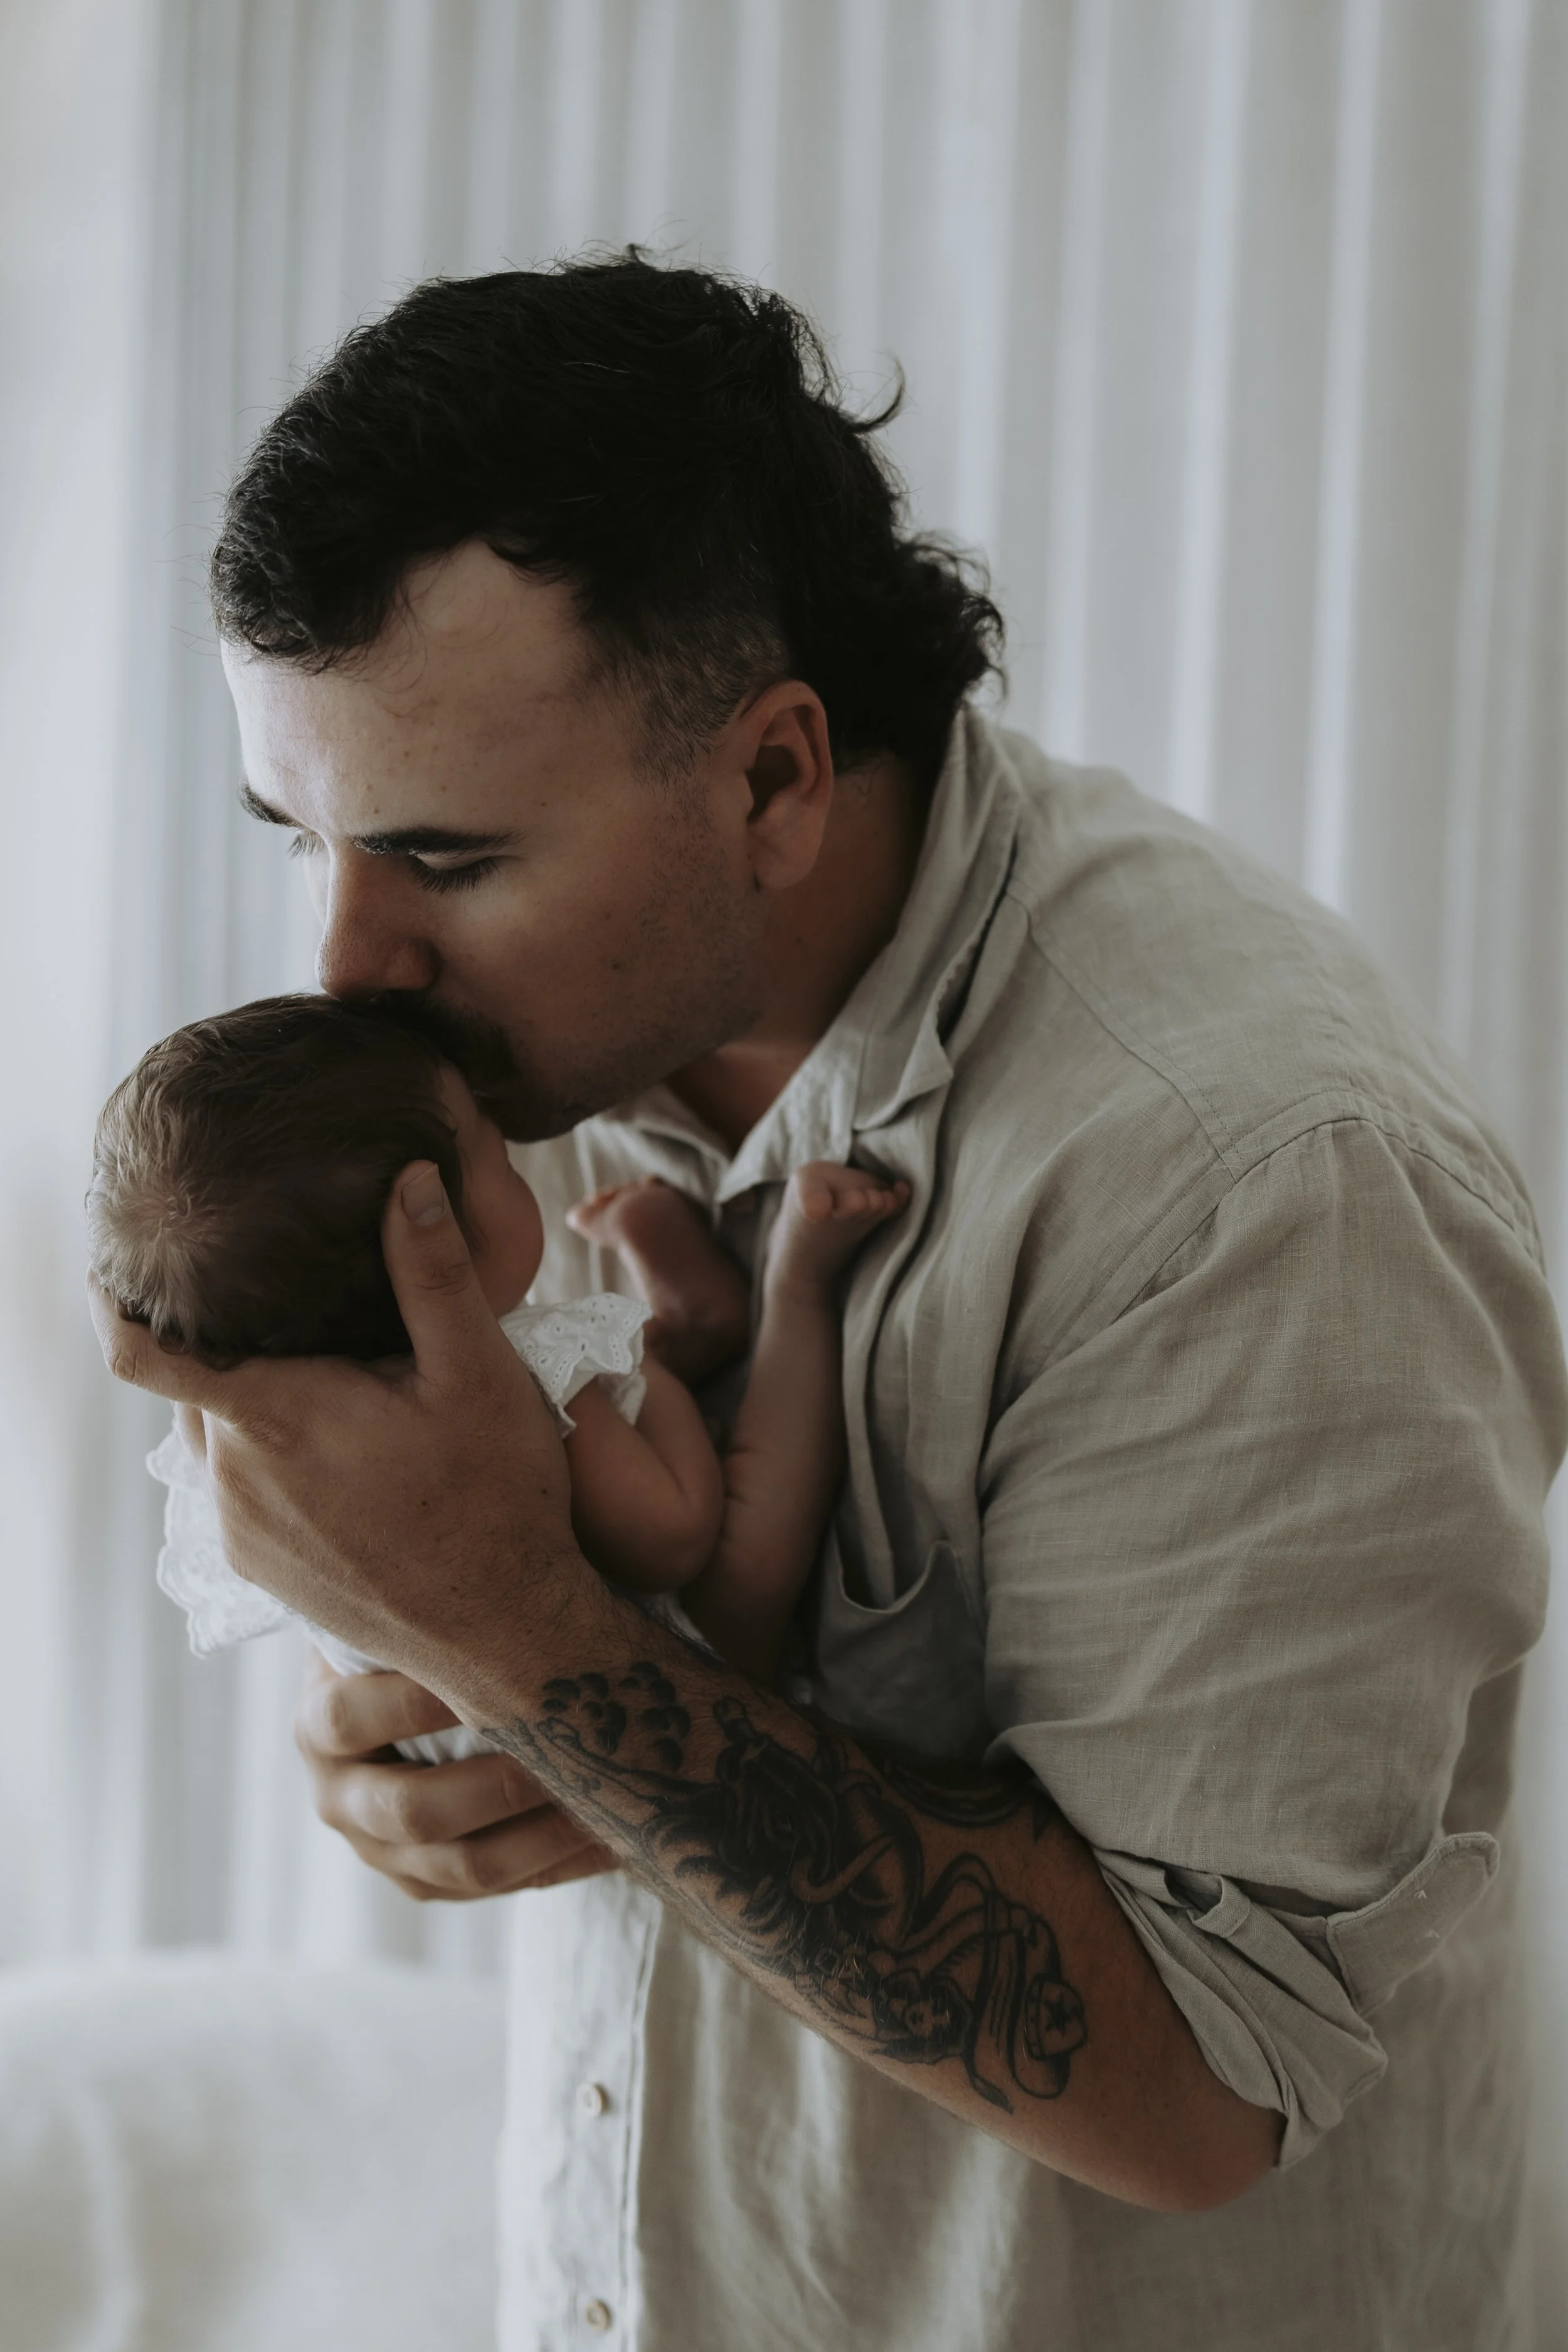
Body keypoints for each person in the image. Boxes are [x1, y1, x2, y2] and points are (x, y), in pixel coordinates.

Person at [92, 257, 1565, 2351]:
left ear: (776, 780)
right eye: (302, 835)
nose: (345, 964)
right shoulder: (503, 1074)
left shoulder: (1261, 1182)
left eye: (444, 854)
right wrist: (435, 1703)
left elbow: (1214, 2080)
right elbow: (572, 1679)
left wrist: (533, 1638)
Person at [89, 992, 904, 1699]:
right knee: (739, 1575)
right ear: (431, 1243)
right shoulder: (516, 1391)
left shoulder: (230, 1436)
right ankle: (796, 1288)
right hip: (632, 1709)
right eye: (495, 1153)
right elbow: (674, 1530)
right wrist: (628, 1375)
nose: (512, 1147)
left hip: (459, 1717)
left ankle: (686, 1322)